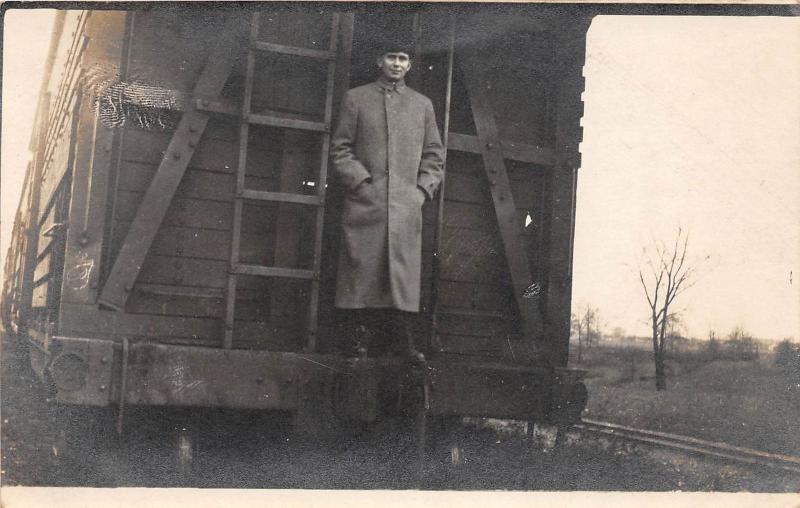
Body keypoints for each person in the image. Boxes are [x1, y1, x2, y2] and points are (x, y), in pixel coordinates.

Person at [332, 44, 444, 363]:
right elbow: (340, 149)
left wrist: (421, 191)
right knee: (361, 272)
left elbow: (435, 155)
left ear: (409, 65)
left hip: (405, 207)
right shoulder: (356, 98)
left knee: (401, 276)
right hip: (366, 203)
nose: (397, 64)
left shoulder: (422, 106)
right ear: (379, 60)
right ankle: (356, 343)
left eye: (403, 58)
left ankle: (404, 344)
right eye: (391, 57)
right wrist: (362, 183)